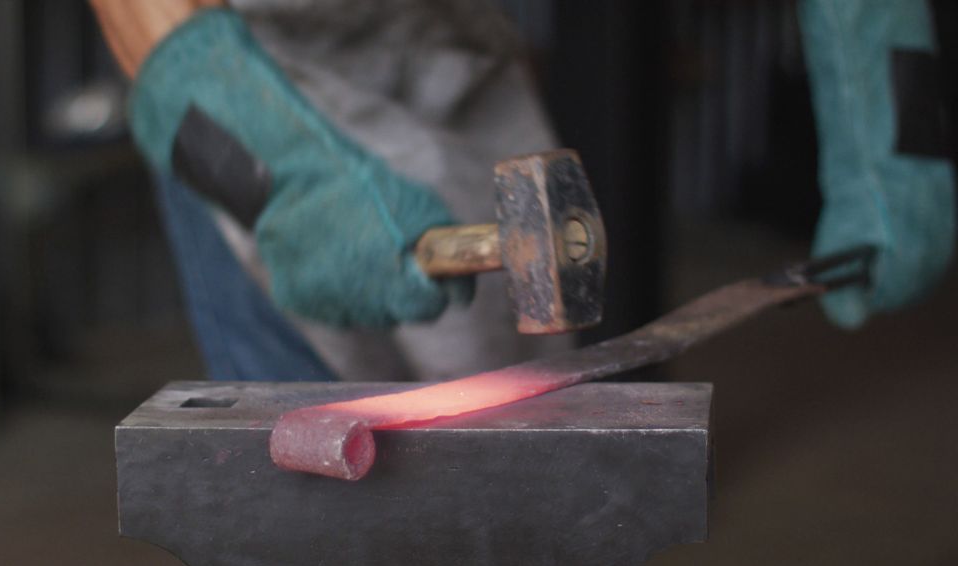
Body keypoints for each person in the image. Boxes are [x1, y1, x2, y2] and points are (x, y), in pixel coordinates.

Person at [87, 0, 954, 382]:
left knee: (521, 475)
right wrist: (282, 189)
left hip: (449, 44)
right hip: (247, 84)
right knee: (301, 500)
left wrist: (888, 95)